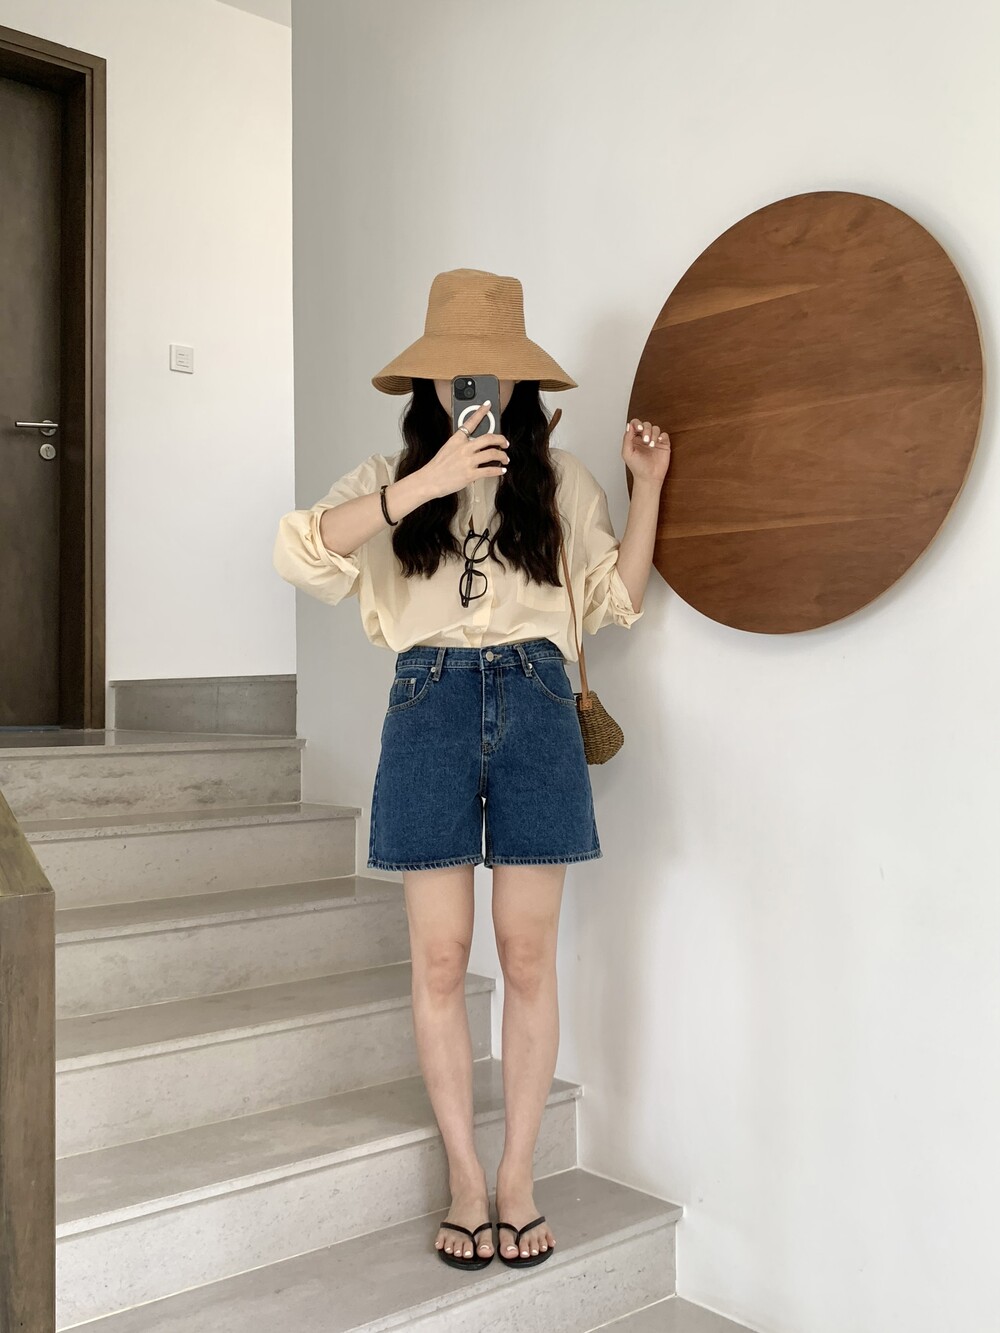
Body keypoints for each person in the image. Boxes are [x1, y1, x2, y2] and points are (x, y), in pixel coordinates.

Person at [272, 268, 671, 1272]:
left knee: (527, 958)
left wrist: (648, 488)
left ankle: (517, 1176)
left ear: (520, 382)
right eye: (453, 373)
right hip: (429, 702)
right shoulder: (386, 479)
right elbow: (299, 554)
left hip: (536, 700)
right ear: (427, 384)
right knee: (442, 960)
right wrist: (425, 483)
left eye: (489, 372)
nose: (471, 388)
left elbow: (617, 601)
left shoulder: (560, 480)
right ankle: (463, 1176)